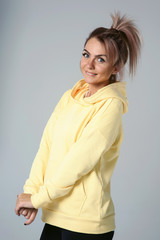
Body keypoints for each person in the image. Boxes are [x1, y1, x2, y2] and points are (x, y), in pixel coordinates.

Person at [15, 12, 142, 240]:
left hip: (87, 223)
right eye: (86, 54)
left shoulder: (111, 106)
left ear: (115, 68)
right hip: (56, 214)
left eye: (100, 59)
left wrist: (37, 199)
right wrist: (31, 192)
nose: (89, 65)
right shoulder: (70, 96)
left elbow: (78, 162)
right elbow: (47, 146)